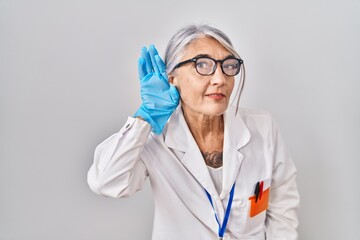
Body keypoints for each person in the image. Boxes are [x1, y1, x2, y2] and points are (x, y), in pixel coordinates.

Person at [87, 24, 300, 240]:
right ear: (172, 77)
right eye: (203, 65)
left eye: (228, 65)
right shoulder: (153, 138)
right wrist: (146, 118)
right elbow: (106, 181)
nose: (220, 79)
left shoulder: (263, 127)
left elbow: (283, 208)